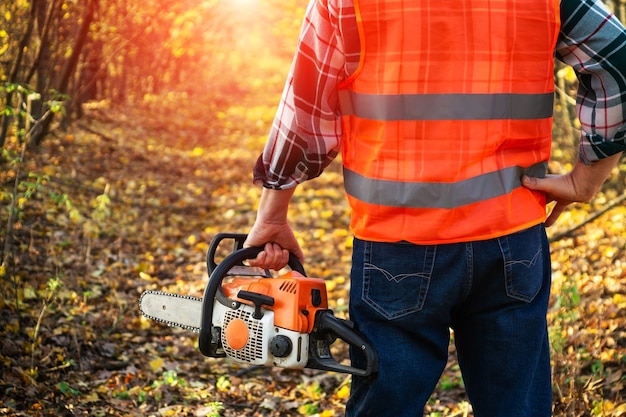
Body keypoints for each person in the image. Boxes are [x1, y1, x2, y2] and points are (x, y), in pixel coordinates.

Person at [243, 0, 626, 416]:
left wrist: (273, 213)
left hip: (397, 243)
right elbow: (616, 58)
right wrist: (586, 179)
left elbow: (308, 106)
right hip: (512, 239)